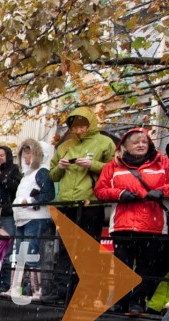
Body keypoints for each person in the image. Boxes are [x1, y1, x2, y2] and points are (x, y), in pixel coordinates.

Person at [42, 107, 116, 305]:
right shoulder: (65, 146)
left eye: (83, 125)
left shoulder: (105, 142)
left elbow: (113, 169)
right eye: (75, 126)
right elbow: (52, 175)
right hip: (67, 203)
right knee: (65, 249)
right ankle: (61, 292)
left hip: (90, 203)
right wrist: (61, 167)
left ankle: (86, 294)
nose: (79, 130)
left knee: (88, 250)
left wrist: (91, 165)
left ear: (91, 123)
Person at [93, 128, 169, 315]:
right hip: (123, 223)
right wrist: (119, 194)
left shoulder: (163, 163)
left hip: (153, 224)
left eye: (144, 142)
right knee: (122, 266)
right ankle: (120, 302)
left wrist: (161, 191)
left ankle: (137, 302)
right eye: (136, 142)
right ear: (126, 146)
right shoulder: (113, 165)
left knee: (147, 266)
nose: (141, 145)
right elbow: (100, 189)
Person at [12, 139, 56, 300]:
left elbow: (48, 194)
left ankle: (36, 290)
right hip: (22, 218)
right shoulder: (26, 176)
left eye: (30, 153)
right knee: (19, 255)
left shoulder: (42, 172)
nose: (26, 157)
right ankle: (16, 288)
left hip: (35, 218)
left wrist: (30, 201)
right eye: (24, 153)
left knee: (31, 253)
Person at [0, 145, 22, 294]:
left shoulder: (14, 169)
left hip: (8, 214)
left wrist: (1, 177)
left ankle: (4, 284)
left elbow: (16, 188)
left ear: (7, 156)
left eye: (2, 155)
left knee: (6, 252)